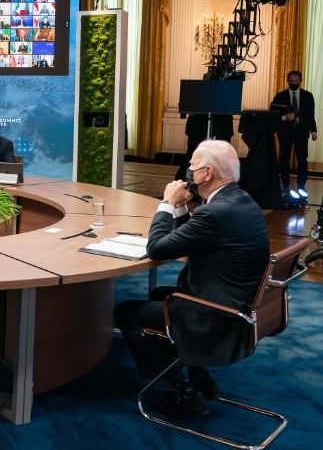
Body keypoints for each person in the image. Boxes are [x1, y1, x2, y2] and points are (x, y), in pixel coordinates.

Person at [114, 140, 269, 418]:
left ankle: (181, 390)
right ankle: (197, 372)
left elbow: (158, 248)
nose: (188, 169)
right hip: (237, 306)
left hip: (215, 316)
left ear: (207, 173)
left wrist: (166, 204)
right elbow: (190, 240)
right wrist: (183, 210)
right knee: (159, 294)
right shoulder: (240, 201)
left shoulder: (215, 212)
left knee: (126, 312)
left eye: (193, 165)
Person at [270, 70, 317, 194]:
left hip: (301, 133)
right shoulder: (280, 96)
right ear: (287, 81)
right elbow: (272, 114)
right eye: (291, 81)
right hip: (285, 133)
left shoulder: (308, 96)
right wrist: (284, 117)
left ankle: (301, 187)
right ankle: (285, 186)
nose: (293, 83)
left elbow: (311, 115)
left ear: (300, 81)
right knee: (284, 160)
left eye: (296, 81)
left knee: (302, 160)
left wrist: (313, 131)